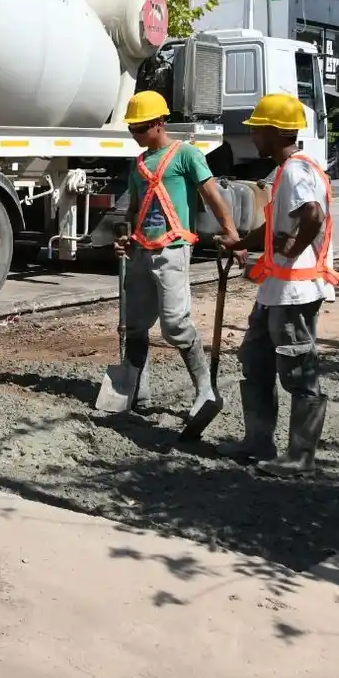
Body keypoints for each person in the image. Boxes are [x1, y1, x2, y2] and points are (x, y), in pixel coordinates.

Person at [220, 92, 339, 477]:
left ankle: (301, 458)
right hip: (275, 291)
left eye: (257, 130)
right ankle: (258, 441)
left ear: (273, 131)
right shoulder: (289, 169)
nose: (253, 136)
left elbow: (314, 216)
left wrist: (293, 248)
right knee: (255, 363)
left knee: (298, 373)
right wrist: (239, 242)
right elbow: (276, 227)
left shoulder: (296, 170)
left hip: (295, 291)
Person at [113, 91, 242, 433]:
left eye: (139, 128)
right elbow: (134, 207)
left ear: (159, 123)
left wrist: (231, 232)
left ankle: (204, 390)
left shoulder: (185, 154)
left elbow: (211, 193)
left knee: (175, 324)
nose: (135, 134)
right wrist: (125, 237)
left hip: (172, 248)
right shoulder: (139, 163)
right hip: (141, 250)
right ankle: (137, 394)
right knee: (136, 325)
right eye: (132, 129)